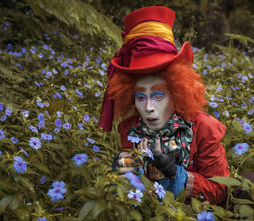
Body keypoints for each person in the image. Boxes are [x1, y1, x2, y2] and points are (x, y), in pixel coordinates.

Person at [98, 6, 230, 205]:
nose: (149, 107)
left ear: (177, 94)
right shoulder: (131, 129)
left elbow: (219, 190)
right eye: (141, 97)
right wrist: (123, 173)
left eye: (158, 96)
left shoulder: (204, 129)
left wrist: (176, 173)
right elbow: (134, 190)